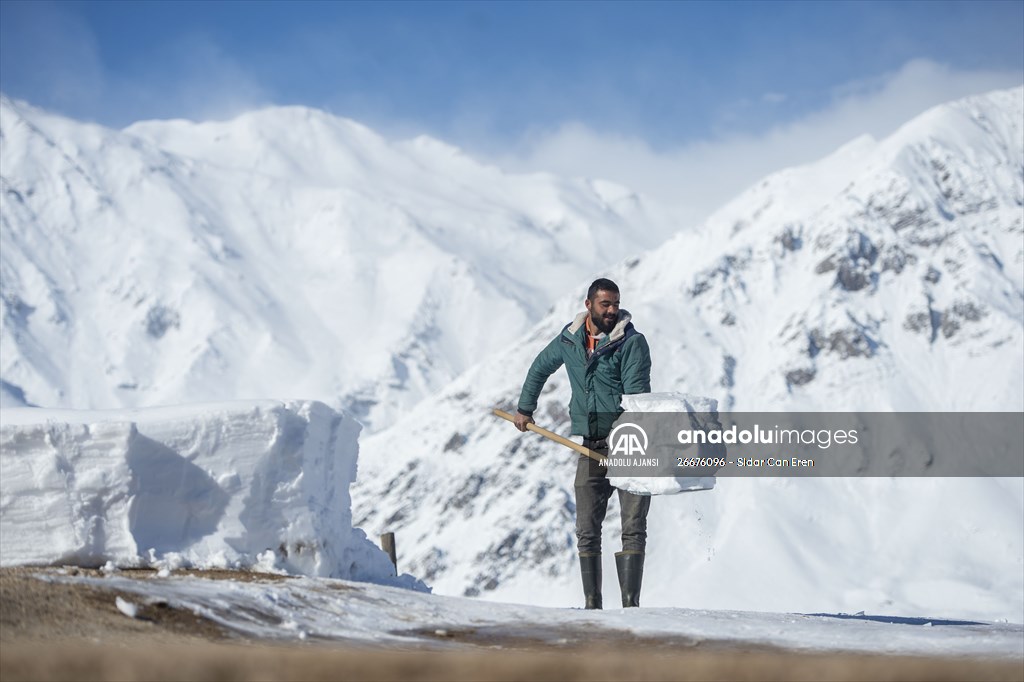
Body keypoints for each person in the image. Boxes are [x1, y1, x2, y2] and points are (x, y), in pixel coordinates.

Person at [513, 278, 652, 609]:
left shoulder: (631, 343)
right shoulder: (569, 339)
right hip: (590, 444)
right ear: (588, 304)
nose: (612, 310)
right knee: (586, 526)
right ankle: (593, 606)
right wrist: (524, 408)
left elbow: (636, 394)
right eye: (606, 304)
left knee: (633, 526)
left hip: (630, 443)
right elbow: (539, 368)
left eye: (616, 304)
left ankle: (631, 606)